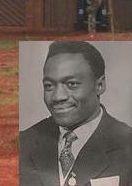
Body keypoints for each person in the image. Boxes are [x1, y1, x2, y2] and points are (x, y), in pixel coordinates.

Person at [19, 41, 132, 186]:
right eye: (49, 86)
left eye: (72, 84)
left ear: (100, 85)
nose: (58, 96)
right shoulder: (24, 143)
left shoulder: (127, 144)